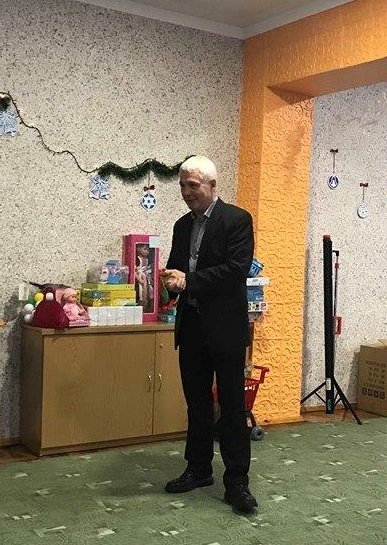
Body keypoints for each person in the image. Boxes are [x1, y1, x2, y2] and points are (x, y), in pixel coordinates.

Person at [162, 155, 257, 514]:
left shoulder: (237, 219)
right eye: (182, 185)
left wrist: (189, 281)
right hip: (192, 327)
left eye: (193, 185)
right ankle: (198, 469)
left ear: (212, 185)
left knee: (232, 407)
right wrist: (169, 282)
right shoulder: (181, 225)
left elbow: (236, 270)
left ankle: (237, 482)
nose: (186, 192)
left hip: (226, 329)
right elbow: (176, 269)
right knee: (197, 404)